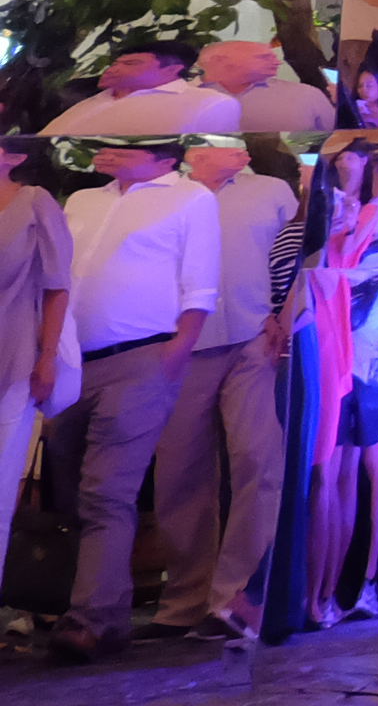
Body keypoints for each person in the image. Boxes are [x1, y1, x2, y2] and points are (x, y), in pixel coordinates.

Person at [46, 145, 219, 661]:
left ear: (163, 157)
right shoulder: (82, 200)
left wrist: (176, 352)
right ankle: (109, 615)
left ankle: (89, 620)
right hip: (72, 360)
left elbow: (201, 284)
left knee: (107, 491)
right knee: (68, 487)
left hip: (141, 357)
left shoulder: (190, 198)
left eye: (124, 145)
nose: (107, 151)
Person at [145, 141, 300, 641]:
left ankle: (236, 598)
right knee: (179, 472)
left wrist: (284, 316)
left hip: (255, 340)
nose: (238, 151)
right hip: (182, 346)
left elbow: (298, 259)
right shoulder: (163, 193)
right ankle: (182, 602)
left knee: (257, 461)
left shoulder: (272, 192)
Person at [0, 141, 70, 595]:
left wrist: (48, 356)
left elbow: (57, 286)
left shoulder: (34, 203)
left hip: (14, 353)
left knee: (2, 481)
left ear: (13, 156)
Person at [46, 40, 240, 136]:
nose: (114, 69)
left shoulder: (208, 103)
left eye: (130, 64)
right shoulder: (95, 97)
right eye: (115, 63)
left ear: (172, 69)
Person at [196, 41, 335, 133]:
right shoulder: (185, 96)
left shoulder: (306, 94)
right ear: (219, 61)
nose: (278, 63)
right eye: (264, 57)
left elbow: (335, 135)